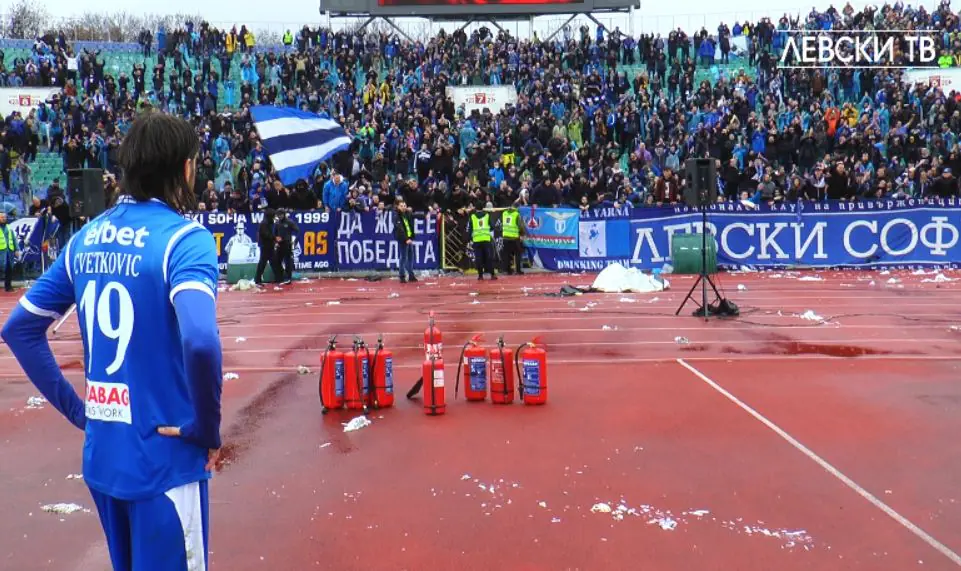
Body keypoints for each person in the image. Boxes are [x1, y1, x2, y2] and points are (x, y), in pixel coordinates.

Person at [0, 112, 223, 571]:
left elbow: (19, 328)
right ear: (185, 168)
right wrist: (206, 428)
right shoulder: (186, 240)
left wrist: (79, 412)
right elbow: (201, 340)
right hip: (163, 463)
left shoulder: (86, 238)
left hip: (104, 457)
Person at [469, 202, 497, 281]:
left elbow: (470, 229)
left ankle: (480, 276)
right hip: (486, 239)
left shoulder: (472, 217)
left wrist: (471, 238)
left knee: (479, 258)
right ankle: (492, 274)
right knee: (489, 257)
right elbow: (492, 226)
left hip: (477, 240)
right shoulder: (487, 215)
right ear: (483, 208)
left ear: (475, 208)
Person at [393, 200, 417, 283]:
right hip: (403, 239)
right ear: (398, 207)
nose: (403, 207)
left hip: (409, 238)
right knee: (403, 258)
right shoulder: (396, 215)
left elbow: (413, 220)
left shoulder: (407, 214)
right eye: (401, 206)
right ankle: (402, 276)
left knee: (410, 257)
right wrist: (406, 239)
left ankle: (411, 275)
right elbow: (400, 229)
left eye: (404, 205)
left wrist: (425, 215)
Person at [255, 207, 280, 285]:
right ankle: (258, 279)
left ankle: (278, 278)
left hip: (269, 246)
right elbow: (266, 235)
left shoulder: (268, 223)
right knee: (263, 263)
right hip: (265, 246)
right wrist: (275, 238)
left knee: (273, 262)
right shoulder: (264, 224)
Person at [274, 209, 298, 285]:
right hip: (279, 245)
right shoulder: (277, 223)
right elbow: (275, 234)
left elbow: (297, 231)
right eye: (278, 215)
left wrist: (294, 240)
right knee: (277, 261)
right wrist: (276, 241)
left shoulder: (289, 222)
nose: (279, 216)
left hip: (287, 244)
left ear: (284, 214)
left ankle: (288, 278)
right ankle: (281, 277)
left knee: (288, 262)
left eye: (281, 214)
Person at [500, 202, 524, 275]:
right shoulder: (516, 214)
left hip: (505, 237)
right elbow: (520, 226)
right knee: (517, 254)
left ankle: (508, 270)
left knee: (507, 254)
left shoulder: (504, 213)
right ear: (517, 207)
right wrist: (522, 234)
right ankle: (518, 270)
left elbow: (501, 224)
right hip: (514, 237)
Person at [0, 212, 19, 291]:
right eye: (2, 217)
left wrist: (16, 249)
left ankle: (8, 287)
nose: (4, 218)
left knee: (9, 270)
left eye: (5, 217)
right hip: (1, 252)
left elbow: (14, 239)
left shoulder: (9, 227)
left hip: (9, 252)